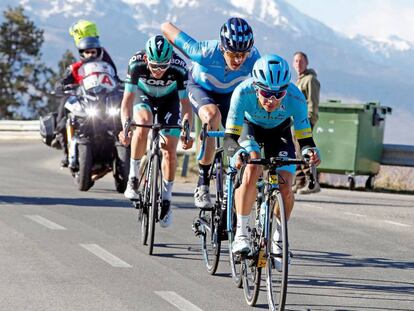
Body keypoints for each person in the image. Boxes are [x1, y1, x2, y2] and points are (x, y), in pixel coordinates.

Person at [223, 54, 321, 269]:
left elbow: (305, 139)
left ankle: (278, 237)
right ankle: (241, 233)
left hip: (280, 133)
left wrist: (311, 152)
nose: (272, 100)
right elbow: (229, 138)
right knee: (252, 166)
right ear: (256, 87)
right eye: (266, 93)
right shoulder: (243, 92)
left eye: (279, 94)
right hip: (250, 128)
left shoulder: (295, 98)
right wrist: (237, 153)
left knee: (286, 185)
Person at [161, 17, 260, 209]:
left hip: (231, 93)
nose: (239, 60)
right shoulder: (203, 51)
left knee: (244, 125)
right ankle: (203, 181)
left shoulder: (254, 58)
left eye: (243, 54)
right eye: (233, 54)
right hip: (200, 88)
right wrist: (169, 54)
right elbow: (165, 27)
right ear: (223, 49)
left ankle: (234, 172)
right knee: (213, 117)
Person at [118, 35, 193, 228]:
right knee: (143, 123)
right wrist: (125, 127)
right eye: (154, 66)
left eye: (163, 66)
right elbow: (127, 101)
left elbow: (186, 105)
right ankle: (133, 178)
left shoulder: (179, 67)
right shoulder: (136, 64)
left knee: (169, 149)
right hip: (145, 97)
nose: (158, 71)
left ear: (170, 61)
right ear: (146, 60)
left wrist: (186, 130)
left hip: (170, 100)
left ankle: (167, 199)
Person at [53, 20, 119, 167]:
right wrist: (61, 86)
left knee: (120, 115)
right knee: (65, 112)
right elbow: (62, 81)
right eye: (87, 52)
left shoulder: (106, 63)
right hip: (82, 99)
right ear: (82, 53)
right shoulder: (75, 67)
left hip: (102, 100)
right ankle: (65, 150)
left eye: (93, 52)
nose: (90, 54)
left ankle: (123, 152)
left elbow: (114, 78)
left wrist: (121, 86)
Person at [292, 51, 321, 194]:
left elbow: (312, 102)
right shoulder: (299, 80)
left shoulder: (310, 80)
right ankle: (299, 181)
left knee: (305, 150)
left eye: (301, 61)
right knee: (296, 152)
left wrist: (309, 120)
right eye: (296, 61)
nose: (298, 64)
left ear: (307, 62)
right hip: (294, 122)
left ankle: (312, 183)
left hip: (305, 121)